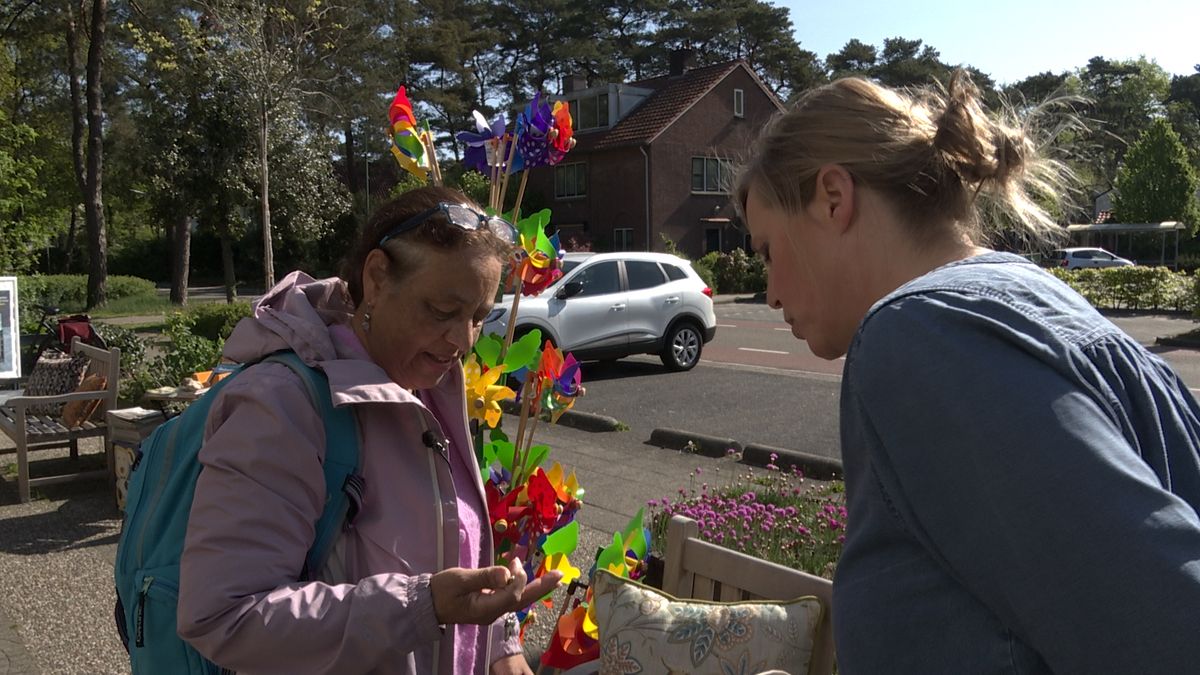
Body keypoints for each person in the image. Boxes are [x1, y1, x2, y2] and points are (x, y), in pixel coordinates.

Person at [734, 72, 1200, 673]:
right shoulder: (1038, 305)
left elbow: (1167, 632)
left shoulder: (918, 337)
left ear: (832, 197)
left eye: (768, 251)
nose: (769, 292)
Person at [177, 185, 561, 674]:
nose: (462, 340)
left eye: (479, 318)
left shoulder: (429, 387)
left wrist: (499, 643)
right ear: (377, 278)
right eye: (443, 312)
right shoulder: (283, 406)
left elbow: (451, 545)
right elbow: (223, 614)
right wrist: (422, 606)